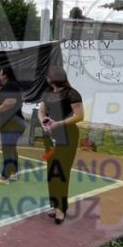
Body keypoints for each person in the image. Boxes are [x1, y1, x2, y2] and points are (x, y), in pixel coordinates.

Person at [37, 66, 84, 225]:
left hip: (68, 135)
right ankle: (54, 204)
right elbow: (41, 110)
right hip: (51, 135)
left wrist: (60, 123)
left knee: (62, 171)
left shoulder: (72, 94)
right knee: (52, 171)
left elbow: (80, 116)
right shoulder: (48, 92)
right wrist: (43, 121)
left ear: (54, 77)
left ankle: (61, 209)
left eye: (48, 76)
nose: (46, 78)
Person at [0, 67, 26, 182]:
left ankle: (5, 176)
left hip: (13, 123)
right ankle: (14, 172)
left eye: (0, 74)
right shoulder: (10, 86)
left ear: (5, 75)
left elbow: (10, 102)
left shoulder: (10, 86)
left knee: (7, 149)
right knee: (11, 148)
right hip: (14, 122)